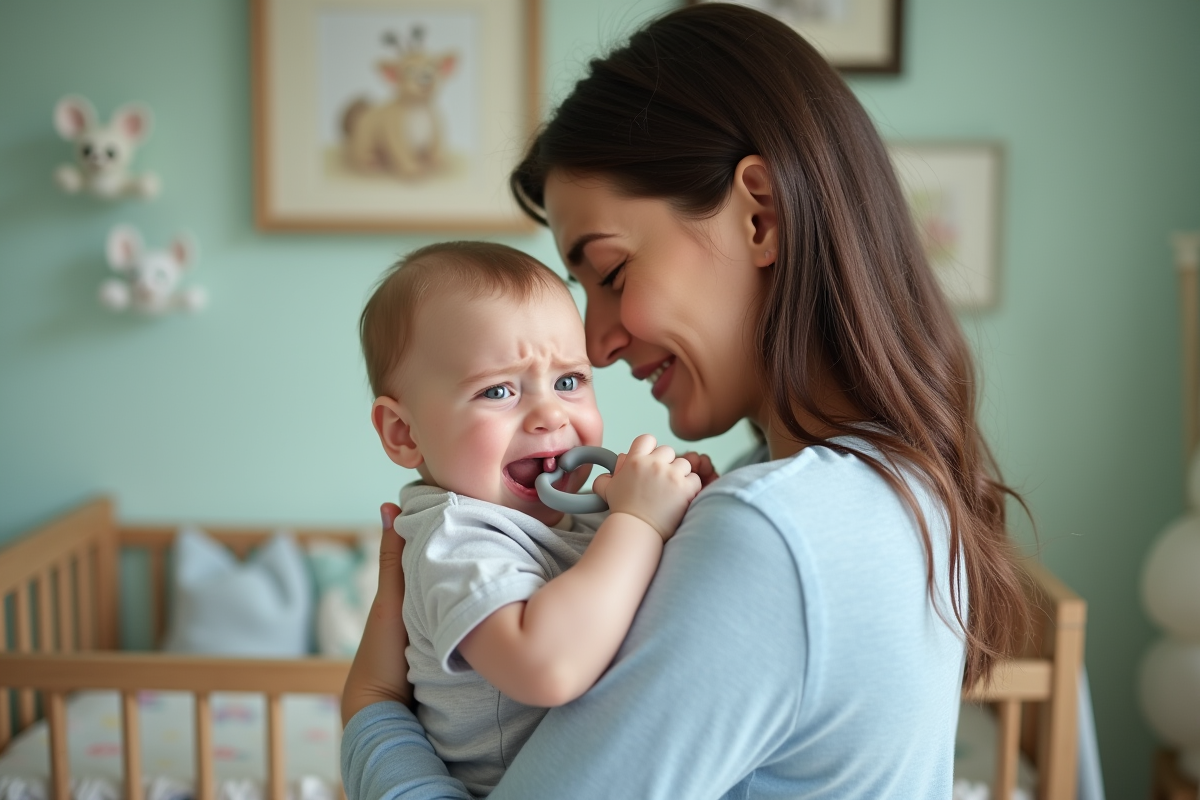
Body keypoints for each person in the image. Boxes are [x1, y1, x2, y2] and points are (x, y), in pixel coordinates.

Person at [341, 4, 1030, 798]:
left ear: (759, 216)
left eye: (612, 274)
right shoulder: (889, 485)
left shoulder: (774, 533)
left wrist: (372, 712)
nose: (595, 345)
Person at [358, 241, 708, 796]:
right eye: (497, 390)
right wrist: (639, 523)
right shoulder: (455, 536)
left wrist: (688, 512)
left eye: (569, 381)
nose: (550, 413)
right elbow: (546, 666)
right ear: (404, 433)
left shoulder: (583, 525)